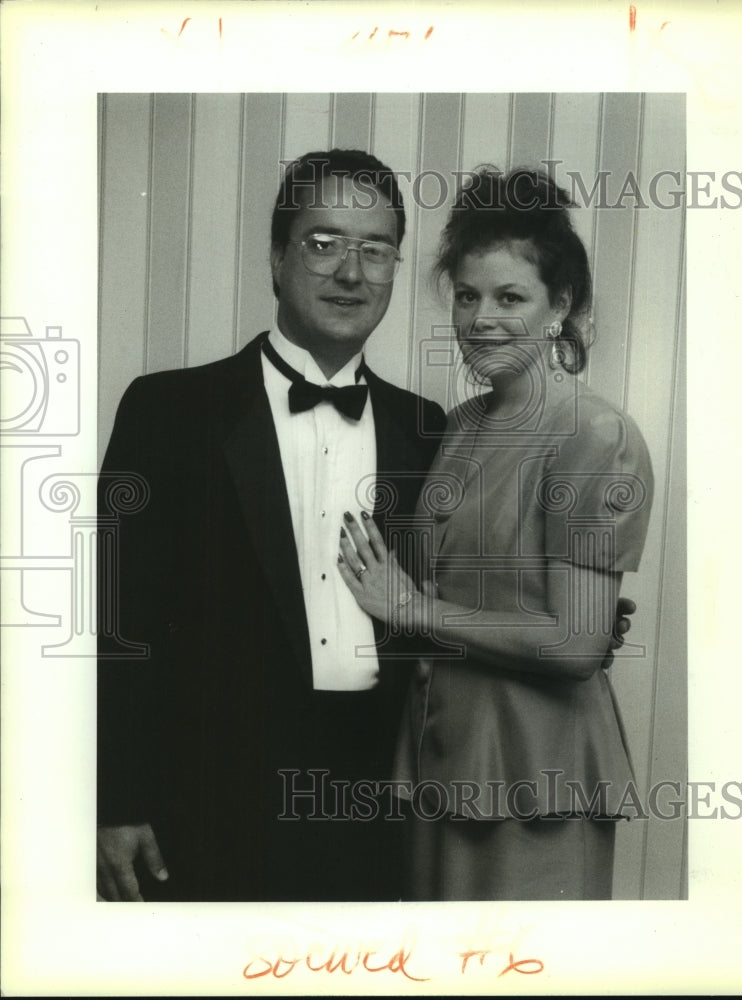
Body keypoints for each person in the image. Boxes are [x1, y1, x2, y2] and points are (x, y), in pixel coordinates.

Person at [96, 149, 635, 903]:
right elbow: (120, 624)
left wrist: (582, 623)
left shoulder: (426, 428)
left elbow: (470, 588)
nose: (352, 271)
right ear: (277, 258)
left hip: (386, 792)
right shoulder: (169, 411)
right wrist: (116, 802)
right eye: (324, 242)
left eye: (376, 249)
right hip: (208, 801)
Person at [337, 166, 654, 901]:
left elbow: (576, 645)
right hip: (439, 758)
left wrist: (412, 608)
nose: (482, 319)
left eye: (511, 297)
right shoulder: (461, 427)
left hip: (536, 774)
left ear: (561, 305)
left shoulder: (595, 433)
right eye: (469, 296)